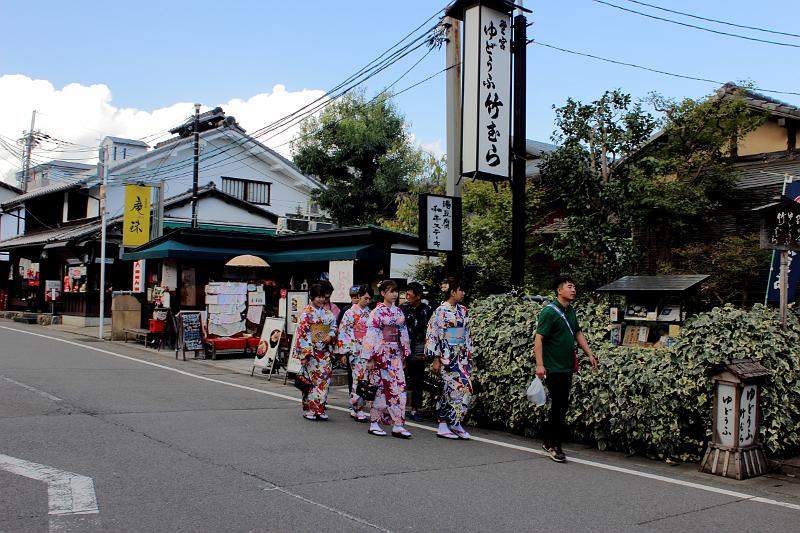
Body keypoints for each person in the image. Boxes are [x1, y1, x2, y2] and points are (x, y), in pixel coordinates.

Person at [534, 275, 598, 462]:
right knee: (560, 405)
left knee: (561, 405)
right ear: (559, 290)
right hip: (553, 367)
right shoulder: (549, 312)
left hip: (567, 367)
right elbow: (539, 339)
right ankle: (555, 446)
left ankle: (548, 439)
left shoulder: (571, 311)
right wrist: (540, 365)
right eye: (570, 286)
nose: (573, 289)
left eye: (574, 287)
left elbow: (577, 332)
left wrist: (589, 353)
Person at [425, 277, 474, 440]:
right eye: (461, 290)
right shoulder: (441, 310)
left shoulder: (463, 310)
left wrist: (468, 355)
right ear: (453, 292)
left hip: (460, 356)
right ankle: (443, 423)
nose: (463, 293)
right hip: (446, 355)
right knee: (447, 390)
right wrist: (436, 358)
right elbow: (433, 333)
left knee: (465, 388)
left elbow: (467, 334)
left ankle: (456, 422)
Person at [362, 280, 412, 438]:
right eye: (391, 291)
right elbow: (371, 335)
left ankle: (398, 424)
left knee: (399, 388)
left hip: (395, 354)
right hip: (380, 355)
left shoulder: (398, 312)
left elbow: (403, 333)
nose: (395, 294)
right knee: (379, 389)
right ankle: (374, 423)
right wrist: (370, 357)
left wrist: (404, 353)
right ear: (383, 293)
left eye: (396, 291)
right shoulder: (376, 312)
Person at [293, 283, 337, 421]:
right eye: (318, 296)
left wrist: (331, 335)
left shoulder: (328, 314)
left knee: (324, 382)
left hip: (324, 352)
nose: (321, 299)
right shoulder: (306, 314)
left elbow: (334, 328)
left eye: (323, 297)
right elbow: (302, 334)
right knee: (311, 382)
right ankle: (310, 409)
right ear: (312, 297)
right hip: (312, 353)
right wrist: (305, 354)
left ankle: (320, 408)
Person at [337, 284, 373, 422]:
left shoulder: (371, 313)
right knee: (358, 378)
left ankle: (357, 406)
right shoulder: (350, 313)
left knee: (365, 379)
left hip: (368, 350)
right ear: (358, 297)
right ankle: (356, 408)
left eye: (370, 299)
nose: (367, 301)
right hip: (355, 349)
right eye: (365, 298)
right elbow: (344, 332)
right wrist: (346, 352)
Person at [400, 282, 433, 422]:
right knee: (401, 377)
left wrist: (428, 349)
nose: (407, 296)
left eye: (410, 294)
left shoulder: (427, 310)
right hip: (403, 345)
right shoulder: (402, 308)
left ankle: (415, 409)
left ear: (418, 296)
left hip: (419, 345)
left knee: (417, 378)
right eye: (406, 294)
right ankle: (399, 408)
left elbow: (431, 331)